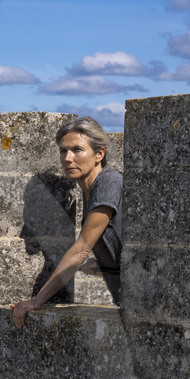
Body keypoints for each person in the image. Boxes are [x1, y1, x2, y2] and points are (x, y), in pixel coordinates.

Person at [11, 116, 123, 328]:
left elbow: (82, 248)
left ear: (99, 154)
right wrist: (105, 263)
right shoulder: (90, 190)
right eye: (63, 150)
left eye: (77, 150)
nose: (68, 158)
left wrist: (36, 301)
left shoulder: (108, 181)